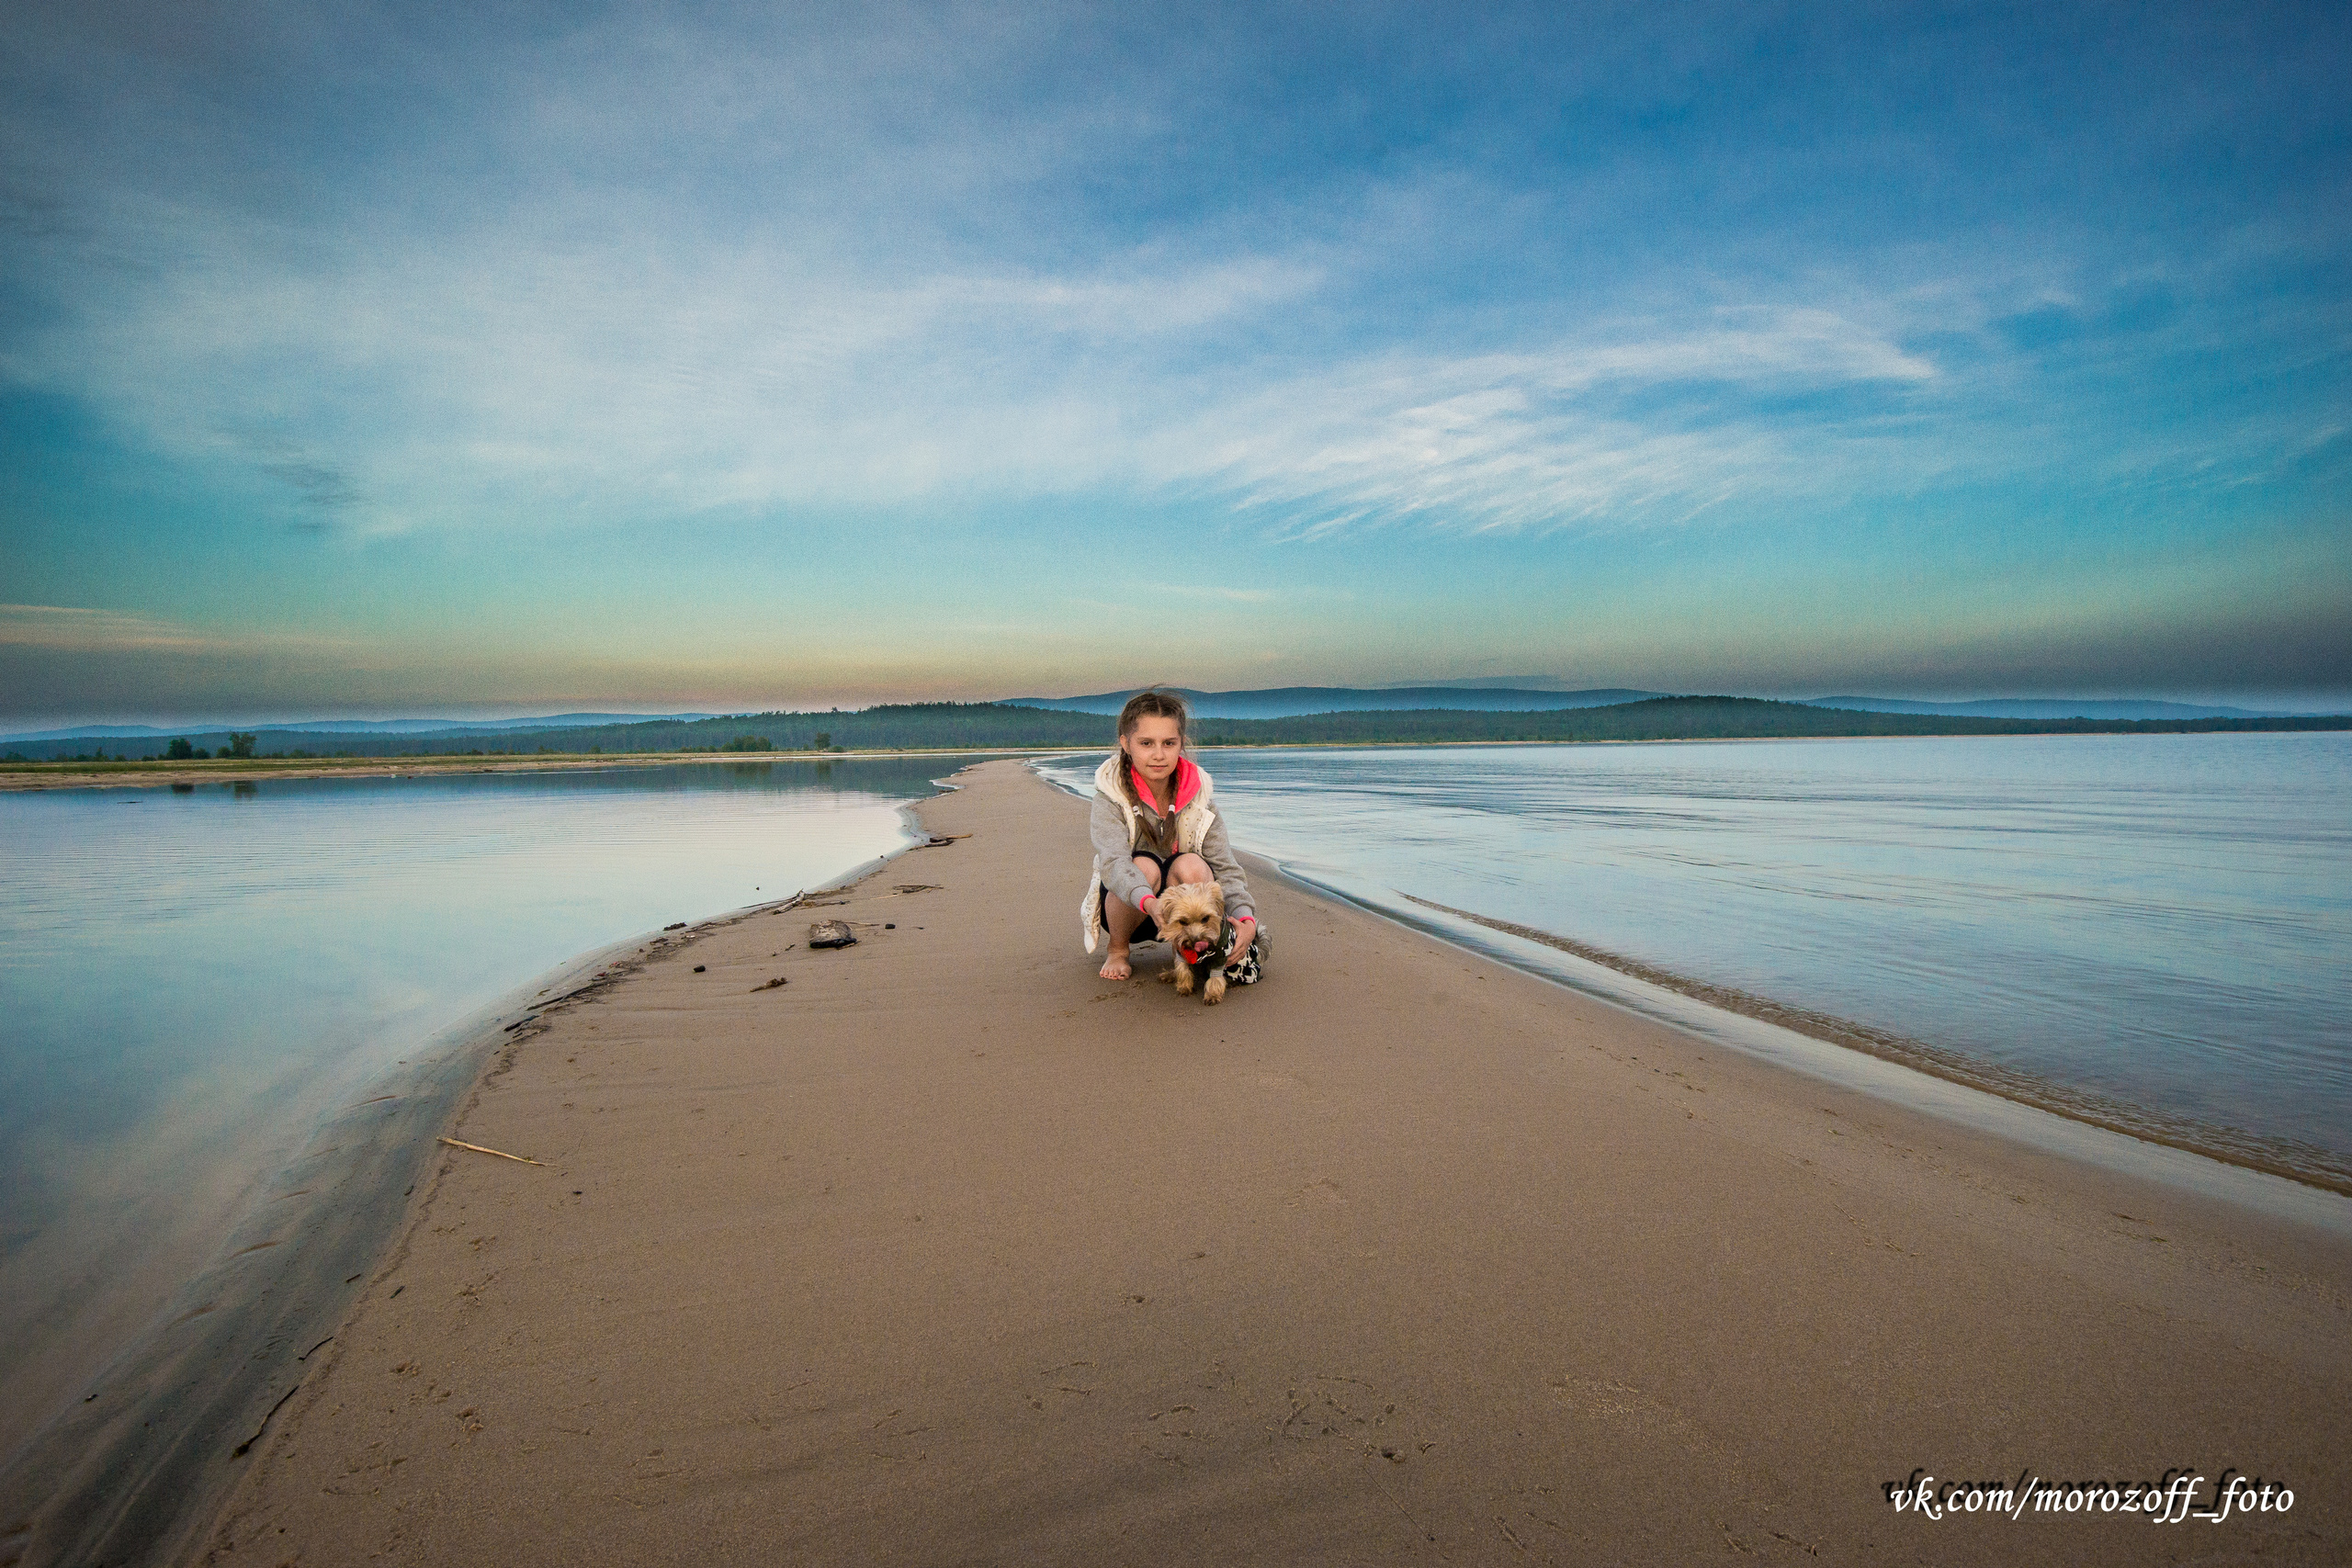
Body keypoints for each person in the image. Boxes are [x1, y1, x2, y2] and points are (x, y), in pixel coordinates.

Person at [1080, 690, 1261, 982]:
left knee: (1191, 864)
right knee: (1144, 866)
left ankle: (1189, 951)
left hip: (1189, 917)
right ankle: (1117, 949)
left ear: (1181, 744)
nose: (1158, 754)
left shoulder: (1201, 798)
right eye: (1146, 743)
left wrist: (1245, 918)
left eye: (1169, 743)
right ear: (1126, 744)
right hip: (1134, 909)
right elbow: (1113, 863)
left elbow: (1225, 867)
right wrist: (1152, 904)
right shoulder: (1110, 797)